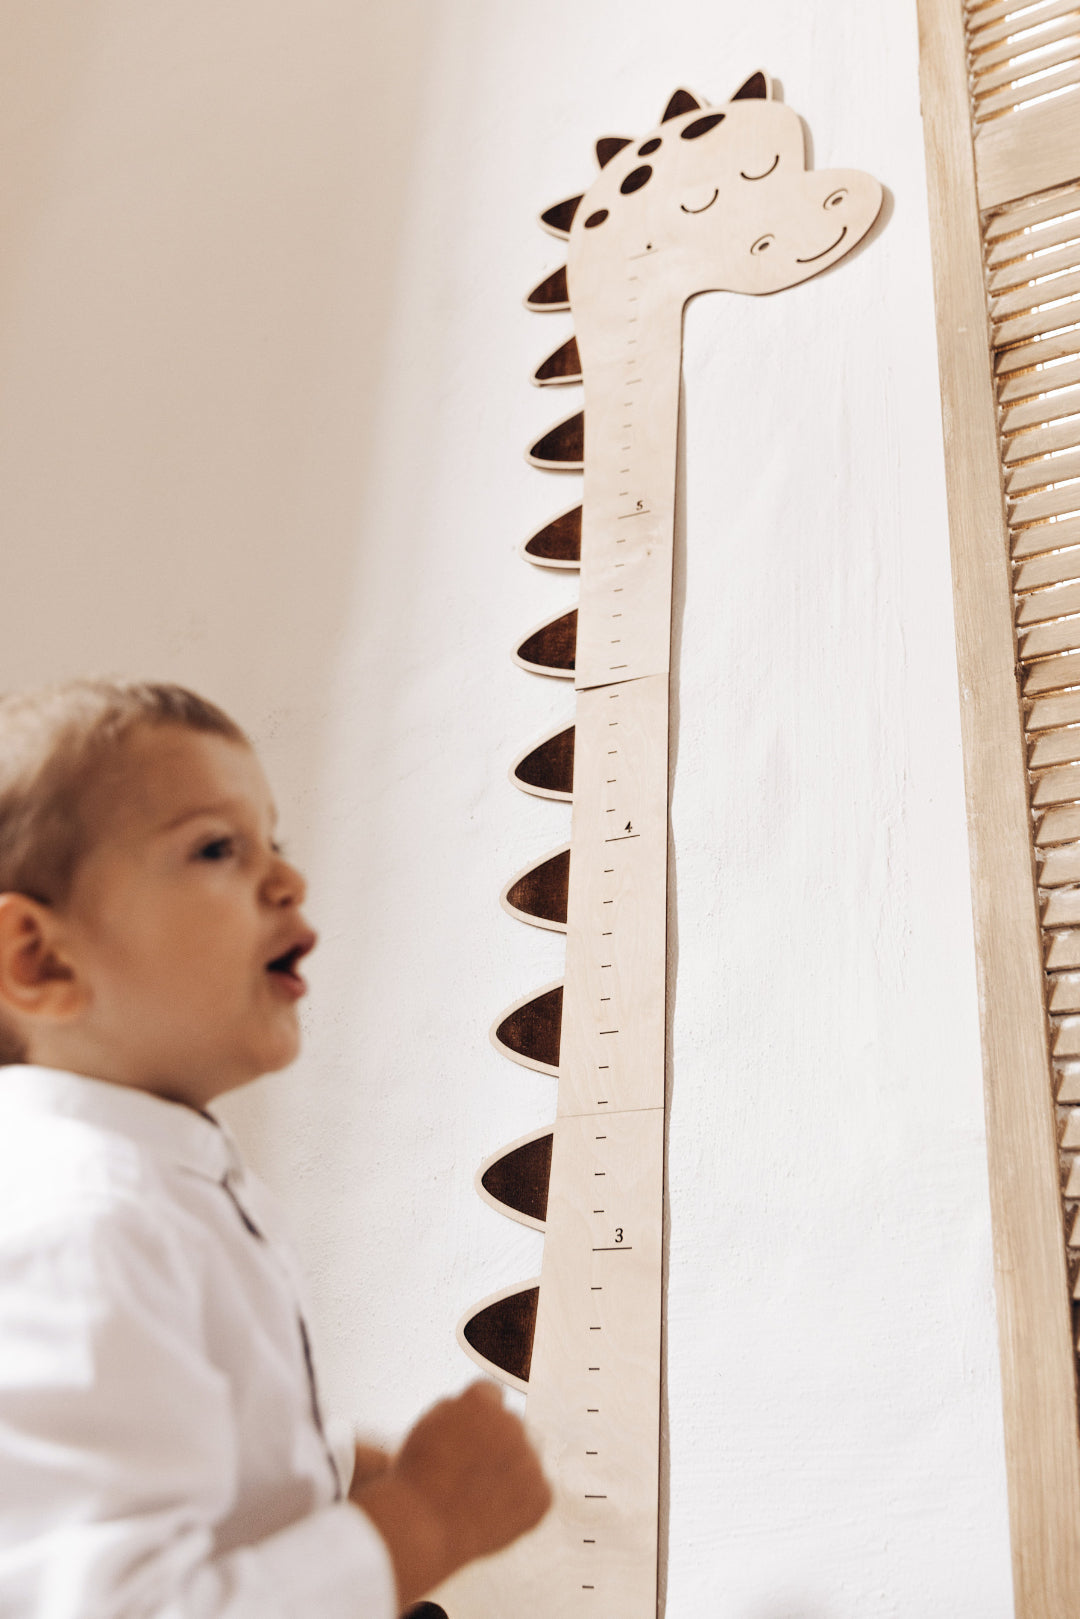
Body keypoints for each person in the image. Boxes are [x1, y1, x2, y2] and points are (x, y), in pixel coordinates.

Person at [0, 679, 551, 1617]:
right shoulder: (84, 1224)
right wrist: (423, 1522)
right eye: (217, 846)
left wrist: (334, 1466)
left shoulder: (160, 1183)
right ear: (42, 960)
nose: (287, 879)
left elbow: (176, 1438)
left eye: (276, 841)